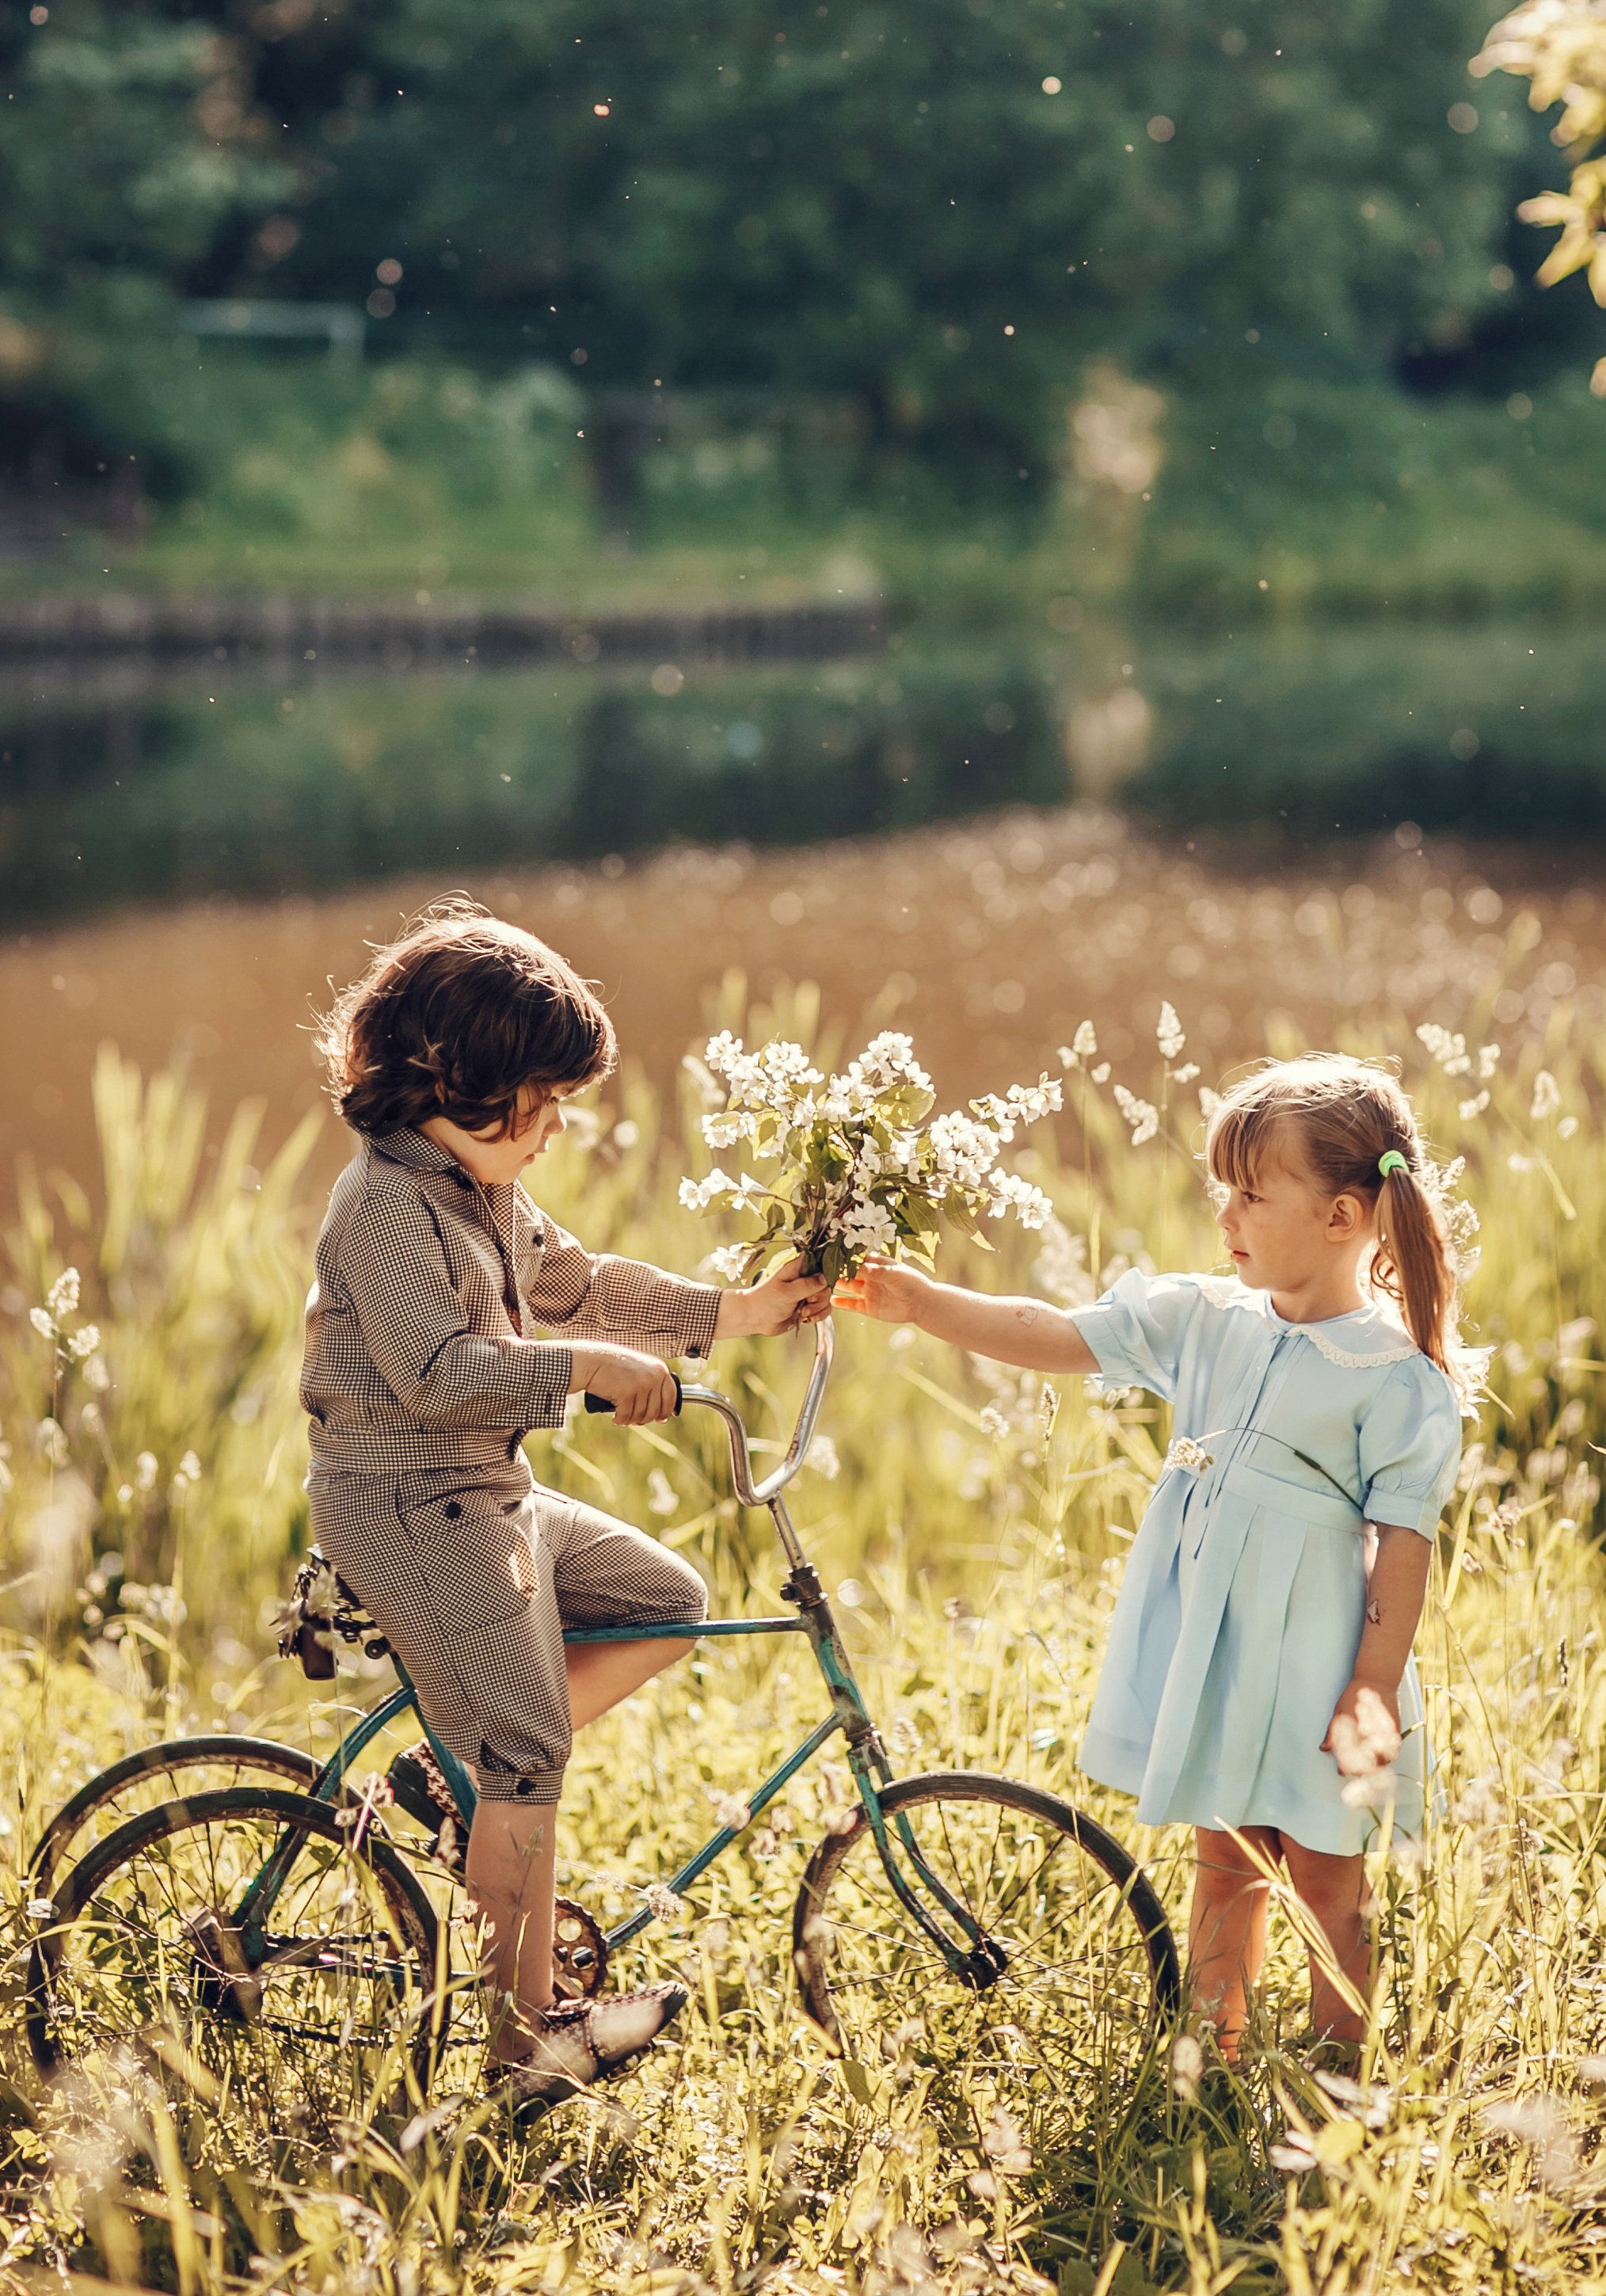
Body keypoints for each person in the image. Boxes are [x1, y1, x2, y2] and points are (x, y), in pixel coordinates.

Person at [838, 1051, 1474, 2053]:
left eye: (1253, 1196)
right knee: (1222, 1856)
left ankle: (1339, 2072)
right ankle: (1204, 2053)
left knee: (1322, 1872)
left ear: (1343, 1218)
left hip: (1317, 1662)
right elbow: (1052, 1332)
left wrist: (1371, 1688)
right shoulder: (1204, 1318)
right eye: (1224, 1192)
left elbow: (1404, 1545)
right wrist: (924, 1303)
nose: (1226, 1217)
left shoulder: (1392, 1378)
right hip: (1224, 1653)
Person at [303, 897, 826, 2111]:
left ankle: (467, 1785)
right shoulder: (383, 1205)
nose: (549, 1131)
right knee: (531, 1754)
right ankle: (520, 2039)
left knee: (664, 1601)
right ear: (452, 1079)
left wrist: (738, 1310)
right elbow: (436, 1377)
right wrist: (584, 1369)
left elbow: (575, 1281)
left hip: (484, 1489)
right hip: (406, 1499)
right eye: (535, 1104)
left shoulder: (476, 1186)